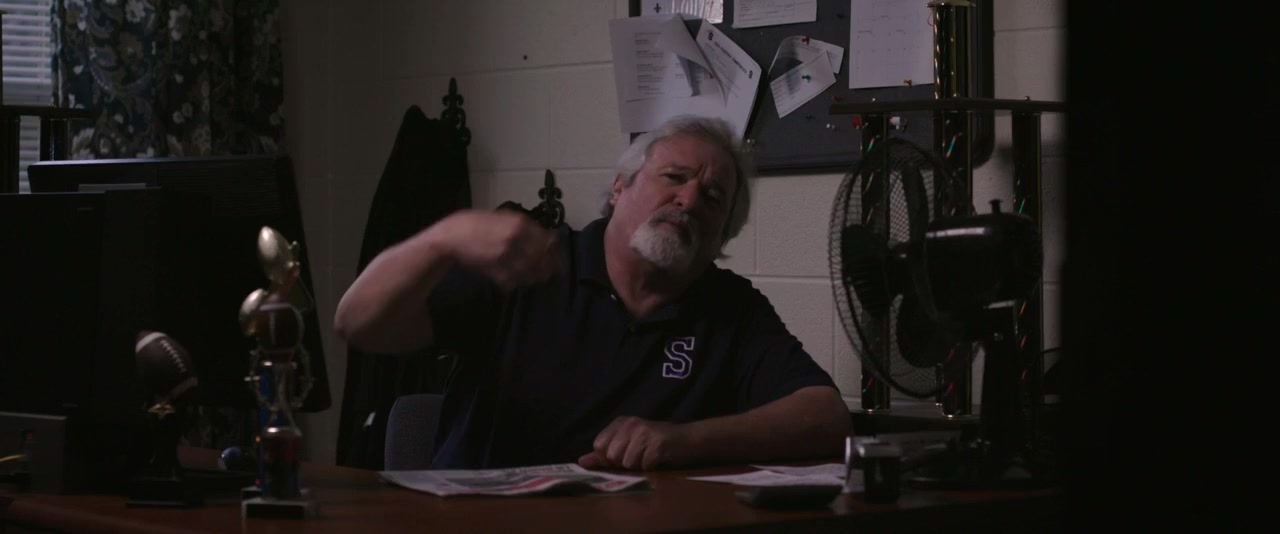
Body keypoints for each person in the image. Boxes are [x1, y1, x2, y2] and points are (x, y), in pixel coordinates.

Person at [334, 115, 851, 470]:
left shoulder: (730, 307)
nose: (689, 200)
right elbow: (358, 322)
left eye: (713, 198)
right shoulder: (532, 265)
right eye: (674, 177)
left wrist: (686, 441)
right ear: (620, 188)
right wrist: (443, 240)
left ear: (723, 238)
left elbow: (825, 417)